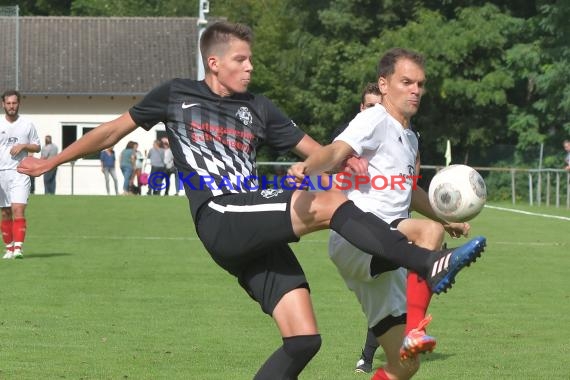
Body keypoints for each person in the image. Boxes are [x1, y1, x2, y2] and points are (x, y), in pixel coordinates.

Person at [17, 22, 486, 379]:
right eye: (241, 59)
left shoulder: (259, 108)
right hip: (220, 212)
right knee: (324, 201)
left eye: (251, 60)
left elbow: (313, 152)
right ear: (214, 63)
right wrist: (49, 164)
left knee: (304, 340)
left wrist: (341, 161)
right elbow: (109, 133)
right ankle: (427, 263)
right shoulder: (175, 96)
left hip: (252, 222)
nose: (250, 67)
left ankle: (417, 263)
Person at [325, 48, 471, 379]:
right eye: (406, 82)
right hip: (359, 236)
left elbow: (410, 190)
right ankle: (418, 326)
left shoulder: (409, 137)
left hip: (387, 255)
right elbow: (337, 149)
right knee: (427, 233)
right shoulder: (375, 118)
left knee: (405, 365)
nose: (415, 90)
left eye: (420, 83)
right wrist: (325, 162)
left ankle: (410, 333)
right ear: (385, 84)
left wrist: (448, 217)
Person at [1, 89, 41, 259]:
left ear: (19, 104)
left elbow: (37, 146)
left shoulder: (27, 124)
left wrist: (24, 146)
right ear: (3, 104)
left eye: (14, 103)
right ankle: (9, 248)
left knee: (18, 208)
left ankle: (18, 248)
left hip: (20, 172)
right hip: (1, 172)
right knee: (4, 212)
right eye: (8, 103)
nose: (11, 106)